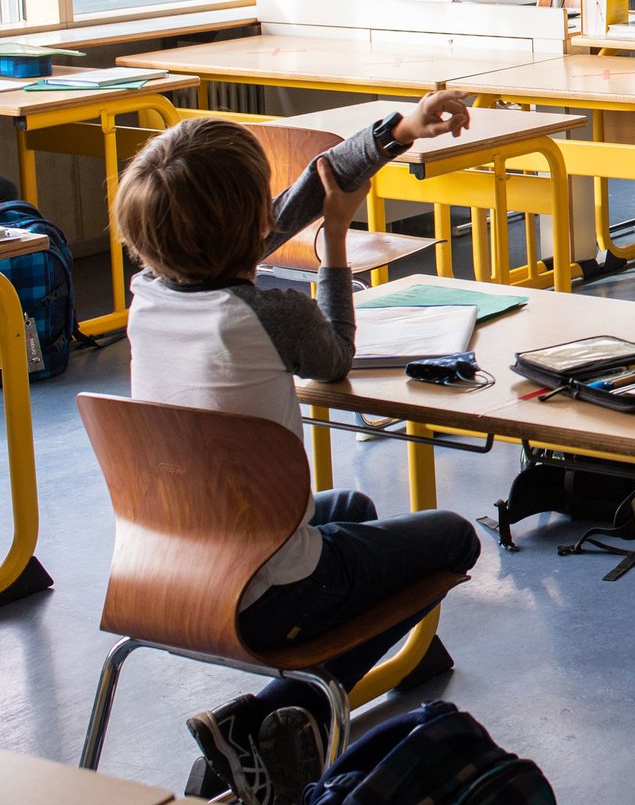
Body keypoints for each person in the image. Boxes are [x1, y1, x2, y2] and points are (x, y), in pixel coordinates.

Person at [113, 91, 483, 805]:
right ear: (250, 225)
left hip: (168, 564)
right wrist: (336, 241)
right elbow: (336, 355)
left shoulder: (149, 292)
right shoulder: (264, 312)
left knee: (354, 505)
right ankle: (264, 722)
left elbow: (294, 199)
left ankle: (354, 678)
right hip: (260, 592)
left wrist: (397, 132)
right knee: (453, 538)